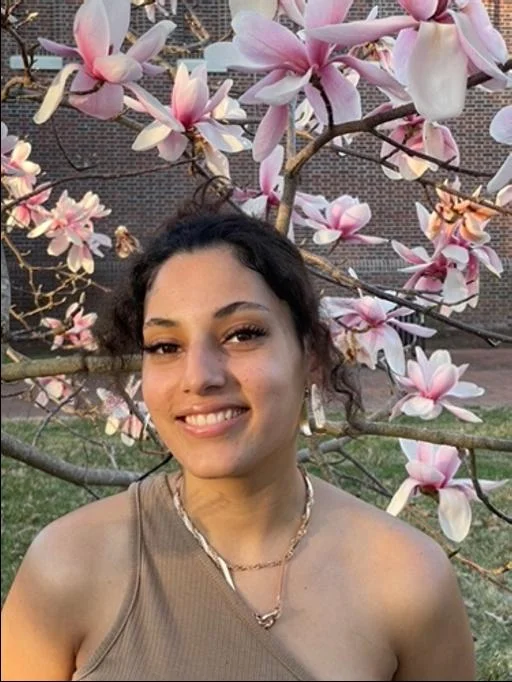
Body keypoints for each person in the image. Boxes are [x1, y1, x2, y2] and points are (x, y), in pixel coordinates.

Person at [1, 208, 476, 681]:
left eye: (242, 334)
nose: (200, 377)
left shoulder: (409, 581)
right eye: (165, 346)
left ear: (310, 353)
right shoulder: (66, 567)